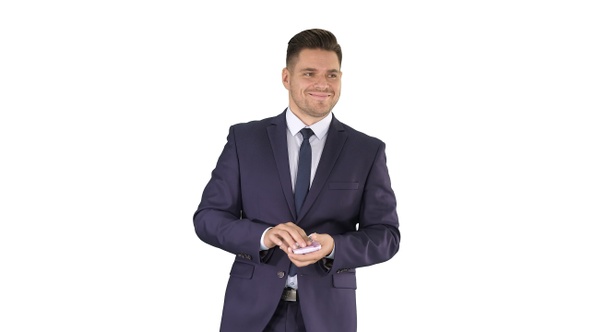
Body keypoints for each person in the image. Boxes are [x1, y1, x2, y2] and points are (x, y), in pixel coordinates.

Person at [193, 28, 400, 332]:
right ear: (286, 78)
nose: (322, 84)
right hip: (251, 312)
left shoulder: (366, 151)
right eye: (309, 73)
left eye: (332, 75)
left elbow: (386, 236)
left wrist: (333, 247)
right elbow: (208, 218)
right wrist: (264, 236)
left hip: (328, 316)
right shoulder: (245, 140)